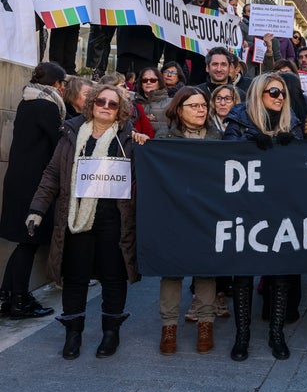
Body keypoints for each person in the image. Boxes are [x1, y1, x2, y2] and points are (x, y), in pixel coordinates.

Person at [28, 84, 143, 360]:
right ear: (91, 104)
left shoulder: (129, 139)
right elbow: (52, 174)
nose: (105, 106)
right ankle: (73, 334)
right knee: (75, 277)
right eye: (100, 101)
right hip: (76, 218)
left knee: (114, 277)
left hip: (114, 219)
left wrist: (144, 144)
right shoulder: (70, 135)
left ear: (120, 110)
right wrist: (37, 209)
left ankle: (110, 333)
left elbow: (146, 177)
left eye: (112, 104)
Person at [223, 73, 302, 361]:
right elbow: (223, 156)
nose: (279, 97)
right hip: (244, 207)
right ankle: (242, 336)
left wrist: (292, 145)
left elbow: (303, 166)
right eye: (273, 92)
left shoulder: (291, 122)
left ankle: (276, 334)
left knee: (280, 273)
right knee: (243, 274)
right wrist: (247, 141)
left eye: (282, 93)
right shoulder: (238, 118)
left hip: (281, 208)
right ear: (258, 93)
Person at [151, 87, 220, 356]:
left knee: (206, 270)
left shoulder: (217, 138)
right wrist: (145, 145)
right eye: (194, 106)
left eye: (204, 105)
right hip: (175, 215)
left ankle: (206, 324)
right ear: (179, 110)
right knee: (172, 271)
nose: (201, 110)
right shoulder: (164, 138)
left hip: (206, 216)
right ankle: (168, 327)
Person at [0, 63, 66, 320]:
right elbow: (58, 142)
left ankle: (7, 296)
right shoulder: (48, 106)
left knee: (23, 243)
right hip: (34, 185)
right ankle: (19, 300)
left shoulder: (26, 102)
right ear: (57, 84)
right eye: (63, 85)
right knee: (28, 243)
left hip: (18, 181)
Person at [132, 67, 171, 133]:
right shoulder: (133, 104)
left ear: (159, 82)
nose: (148, 82)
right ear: (141, 84)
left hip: (162, 141)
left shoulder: (171, 103)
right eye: (144, 80)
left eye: (153, 80)